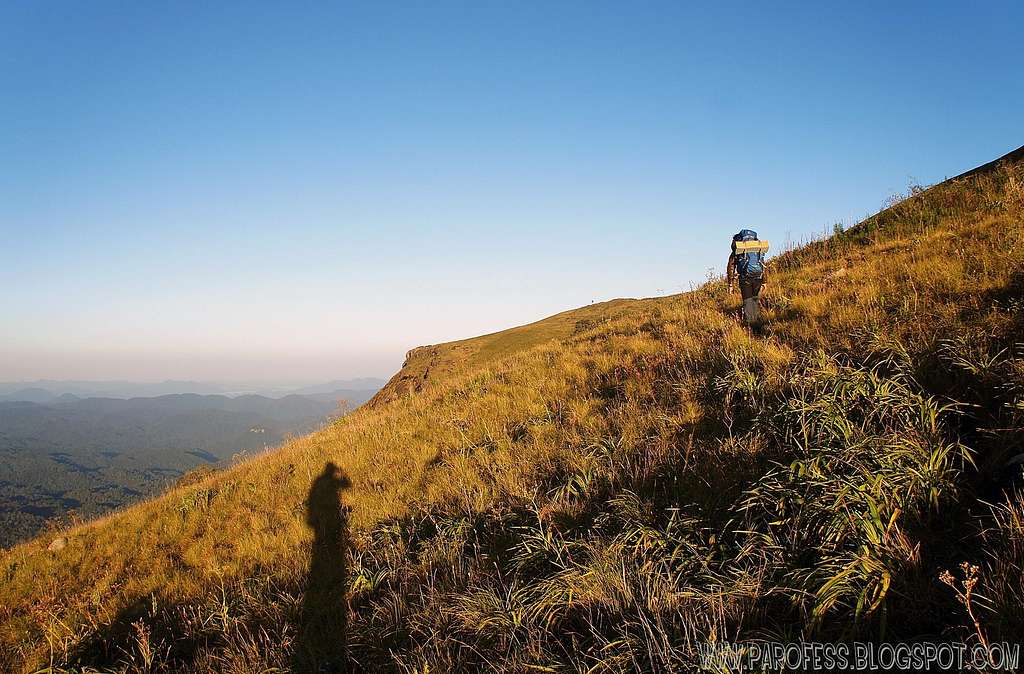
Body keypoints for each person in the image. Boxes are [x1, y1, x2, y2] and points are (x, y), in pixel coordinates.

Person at [727, 229, 768, 325]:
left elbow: (731, 267)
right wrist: (764, 281)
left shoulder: (738, 250)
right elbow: (763, 263)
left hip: (745, 278)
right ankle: (758, 324)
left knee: (748, 302)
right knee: (755, 300)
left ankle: (752, 328)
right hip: (758, 276)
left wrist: (730, 284)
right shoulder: (757, 248)